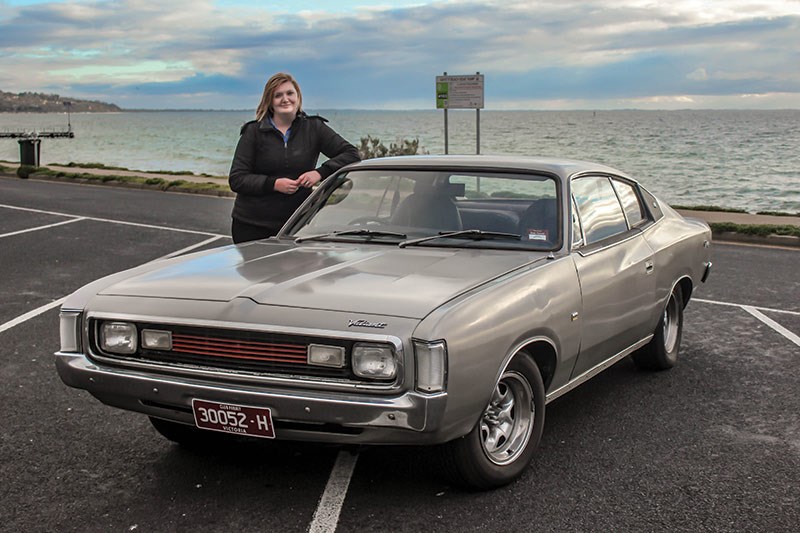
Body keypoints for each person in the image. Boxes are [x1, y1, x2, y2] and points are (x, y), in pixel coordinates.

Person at [228, 72, 360, 243]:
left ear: (298, 97)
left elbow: (351, 154)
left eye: (290, 93)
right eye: (278, 95)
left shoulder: (314, 127)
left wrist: (320, 173)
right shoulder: (253, 132)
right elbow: (237, 179)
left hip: (297, 224)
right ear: (270, 101)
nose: (285, 99)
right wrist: (273, 184)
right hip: (252, 224)